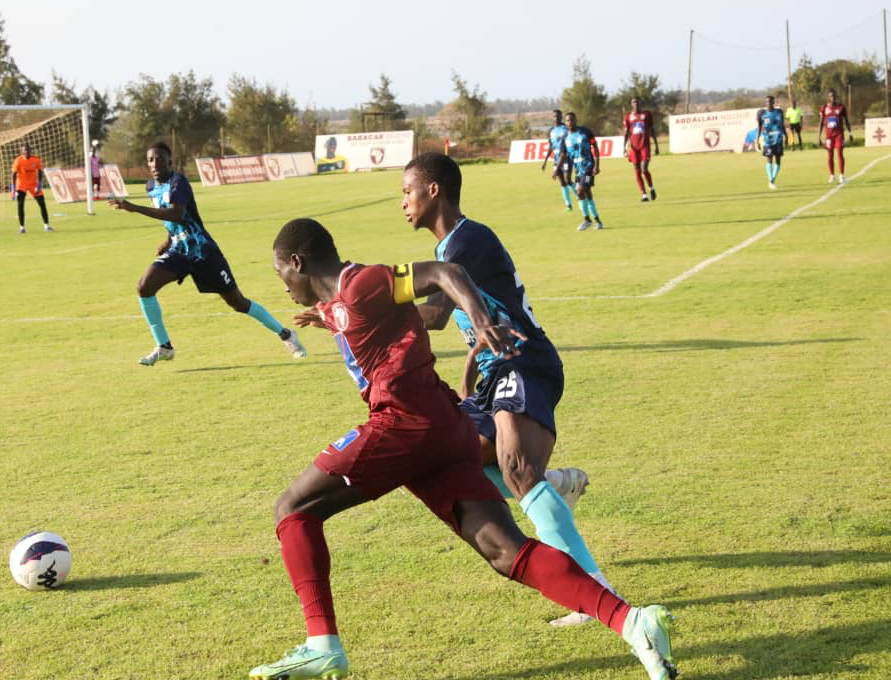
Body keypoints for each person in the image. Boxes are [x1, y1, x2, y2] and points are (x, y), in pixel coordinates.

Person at [253, 217, 677, 680]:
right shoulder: (345, 299)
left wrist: (480, 319)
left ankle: (322, 645)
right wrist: (328, 316)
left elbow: (445, 274)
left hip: (404, 425)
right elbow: (364, 314)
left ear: (298, 262)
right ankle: (634, 622)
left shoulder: (362, 282)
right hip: (444, 430)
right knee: (505, 551)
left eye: (282, 275)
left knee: (293, 508)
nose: (286, 288)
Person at [399, 151, 620, 626]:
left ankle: (594, 590)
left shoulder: (467, 241)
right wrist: (466, 388)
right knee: (461, 457)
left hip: (525, 361)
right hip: (499, 371)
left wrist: (360, 313)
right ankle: (557, 485)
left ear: (433, 190)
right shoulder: (450, 251)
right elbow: (477, 330)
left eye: (407, 190)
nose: (404, 202)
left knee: (517, 466)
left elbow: (435, 315)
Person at [108, 141, 307, 366]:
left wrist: (133, 207)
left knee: (238, 303)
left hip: (204, 252)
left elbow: (176, 213)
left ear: (169, 161)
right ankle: (164, 346)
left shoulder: (178, 181)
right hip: (179, 251)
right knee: (144, 287)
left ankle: (286, 335)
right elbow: (174, 221)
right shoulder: (151, 186)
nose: (155, 163)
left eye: (160, 158)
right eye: (151, 160)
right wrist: (168, 240)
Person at [558, 112, 603, 230]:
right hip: (578, 169)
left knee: (580, 191)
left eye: (572, 120)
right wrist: (557, 169)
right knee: (587, 195)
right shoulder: (565, 137)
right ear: (566, 122)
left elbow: (595, 147)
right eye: (567, 121)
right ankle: (598, 221)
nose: (570, 122)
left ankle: (586, 220)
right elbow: (563, 154)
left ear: (576, 120)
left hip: (588, 166)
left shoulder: (586, 132)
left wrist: (597, 165)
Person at [622, 97, 659, 202]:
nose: (636, 103)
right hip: (634, 147)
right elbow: (626, 133)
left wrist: (656, 145)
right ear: (631, 104)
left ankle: (651, 188)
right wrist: (624, 147)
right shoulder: (628, 117)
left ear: (641, 102)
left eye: (637, 101)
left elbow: (652, 130)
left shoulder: (647, 114)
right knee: (637, 171)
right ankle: (644, 195)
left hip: (645, 146)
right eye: (634, 102)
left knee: (644, 169)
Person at [11, 142, 52, 233]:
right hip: (21, 184)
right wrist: (13, 189)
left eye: (29, 149)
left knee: (42, 203)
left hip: (33, 184)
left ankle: (47, 226)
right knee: (20, 204)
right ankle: (22, 227)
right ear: (22, 152)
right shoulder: (18, 160)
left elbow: (40, 171)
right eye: (25, 150)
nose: (27, 151)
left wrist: (40, 185)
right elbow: (13, 174)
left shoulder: (36, 160)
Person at [540, 109, 574, 211]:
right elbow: (551, 146)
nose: (557, 118)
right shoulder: (550, 131)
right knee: (562, 182)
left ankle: (580, 196)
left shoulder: (566, 128)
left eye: (559, 116)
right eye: (555, 116)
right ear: (552, 117)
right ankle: (568, 205)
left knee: (568, 180)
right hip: (556, 159)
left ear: (561, 117)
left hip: (567, 158)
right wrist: (545, 161)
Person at [818, 89, 852, 183]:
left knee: (840, 153)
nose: (832, 97)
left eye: (834, 96)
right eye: (830, 96)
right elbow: (821, 122)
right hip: (829, 136)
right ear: (828, 97)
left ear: (836, 96)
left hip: (839, 134)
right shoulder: (824, 108)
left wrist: (850, 133)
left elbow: (846, 121)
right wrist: (819, 136)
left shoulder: (841, 107)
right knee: (830, 155)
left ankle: (841, 175)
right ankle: (832, 175)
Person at [756, 95, 786, 189]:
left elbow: (782, 125)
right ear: (766, 103)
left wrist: (786, 135)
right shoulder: (762, 114)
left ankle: (773, 179)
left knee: (778, 161)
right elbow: (759, 127)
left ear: (774, 102)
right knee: (769, 159)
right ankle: (771, 180)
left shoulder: (779, 112)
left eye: (771, 101)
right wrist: (757, 140)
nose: (769, 103)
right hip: (768, 140)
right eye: (767, 102)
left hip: (778, 139)